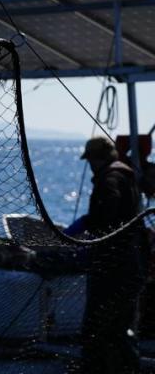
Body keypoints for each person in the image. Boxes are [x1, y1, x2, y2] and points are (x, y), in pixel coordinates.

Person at [78, 136, 147, 373]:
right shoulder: (127, 175)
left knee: (100, 327)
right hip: (131, 265)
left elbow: (110, 205)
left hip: (113, 267)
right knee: (121, 327)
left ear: (97, 159)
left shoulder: (110, 178)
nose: (90, 165)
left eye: (90, 160)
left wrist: (94, 227)